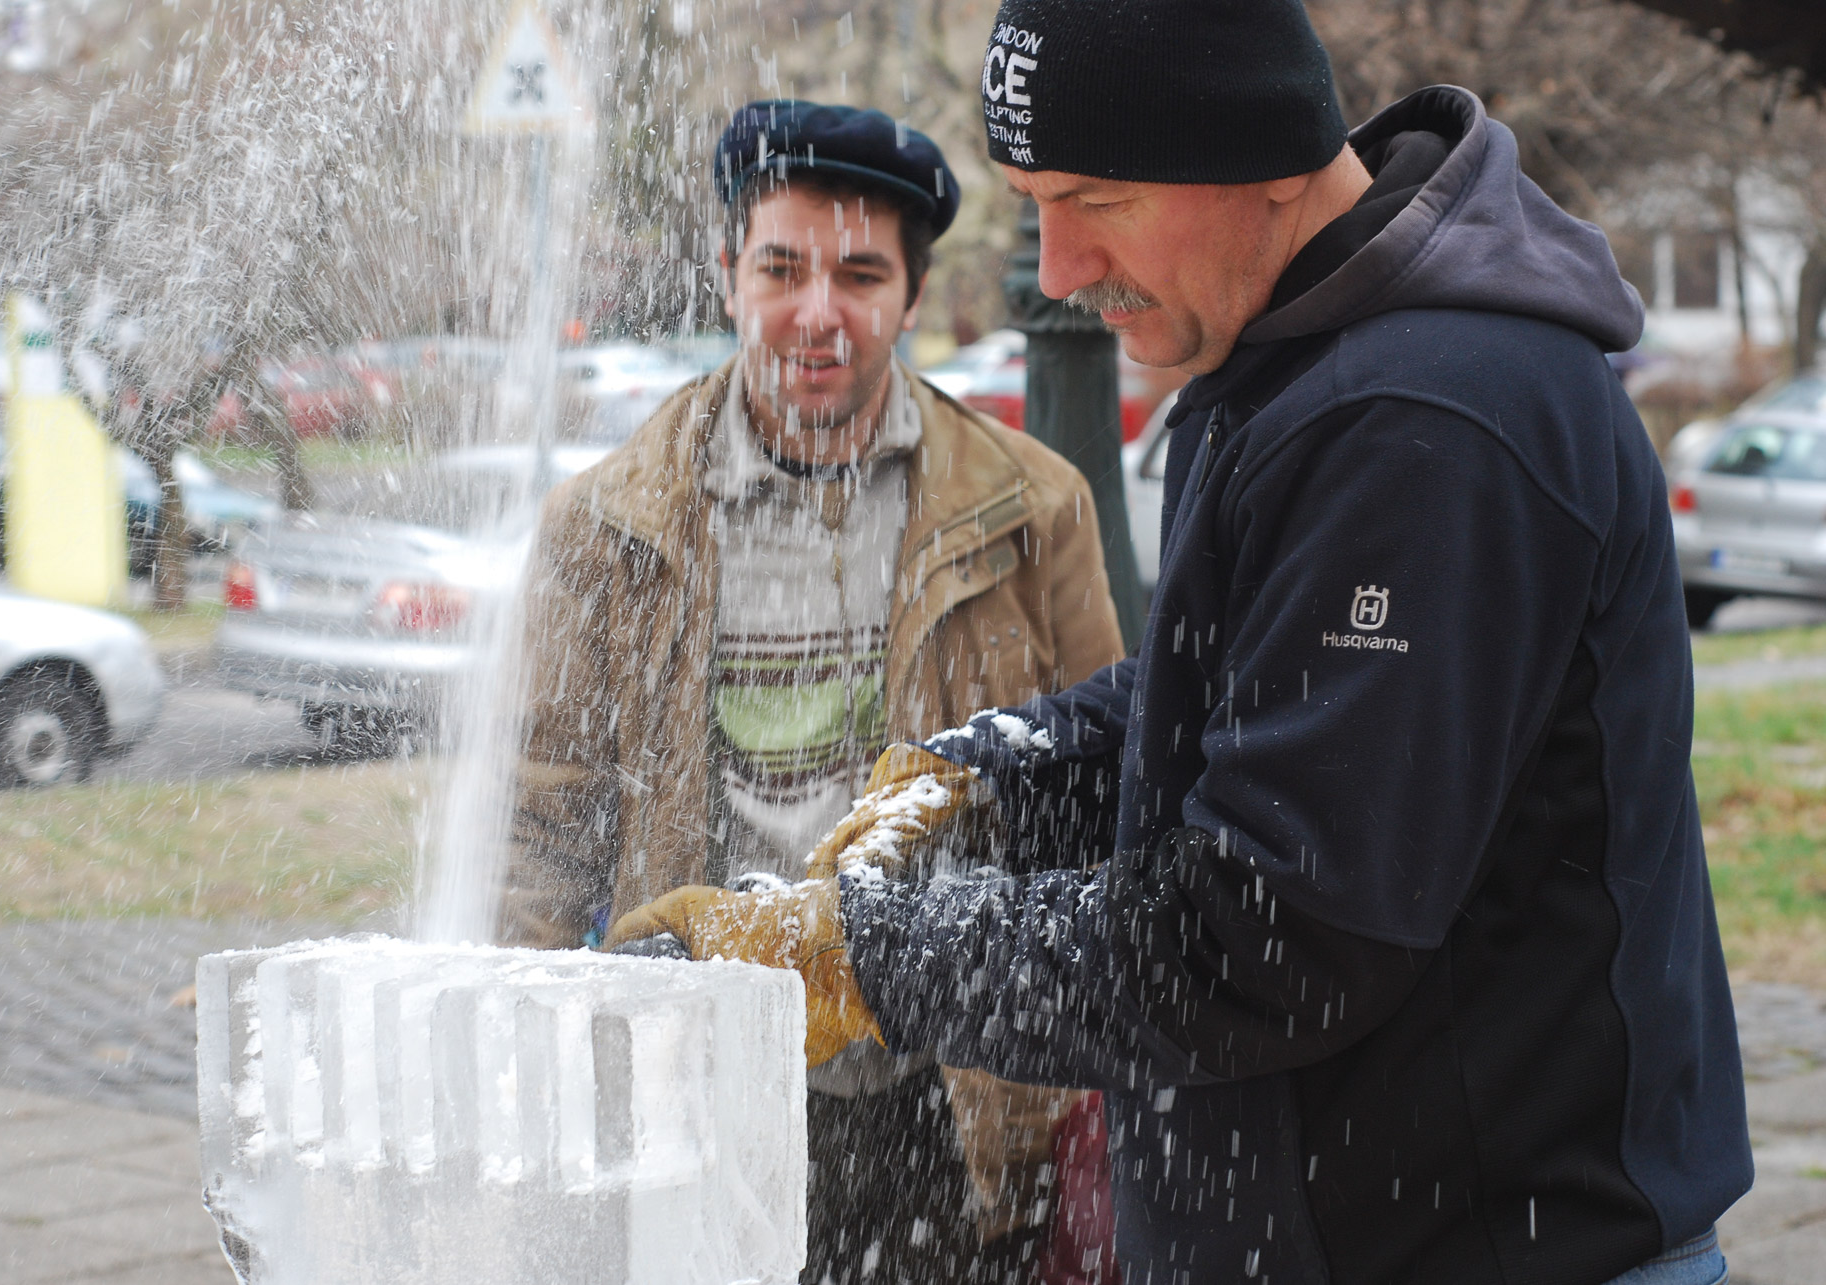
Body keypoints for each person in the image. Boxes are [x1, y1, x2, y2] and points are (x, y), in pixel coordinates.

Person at [606, 4, 1756, 1283]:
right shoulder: (1302, 353)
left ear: (1265, 157)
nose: (1053, 266)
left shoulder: (1429, 421)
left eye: (1097, 196)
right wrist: (999, 767)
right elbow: (1235, 693)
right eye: (1033, 201)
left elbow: (1271, 931)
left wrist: (865, 956)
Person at [503, 100, 1126, 1284]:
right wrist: (522, 1084)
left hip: (943, 1091)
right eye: (780, 266)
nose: (818, 312)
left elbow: (1098, 810)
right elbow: (542, 824)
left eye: (860, 272)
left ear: (912, 292)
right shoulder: (606, 522)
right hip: (695, 1082)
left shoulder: (1033, 509)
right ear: (727, 272)